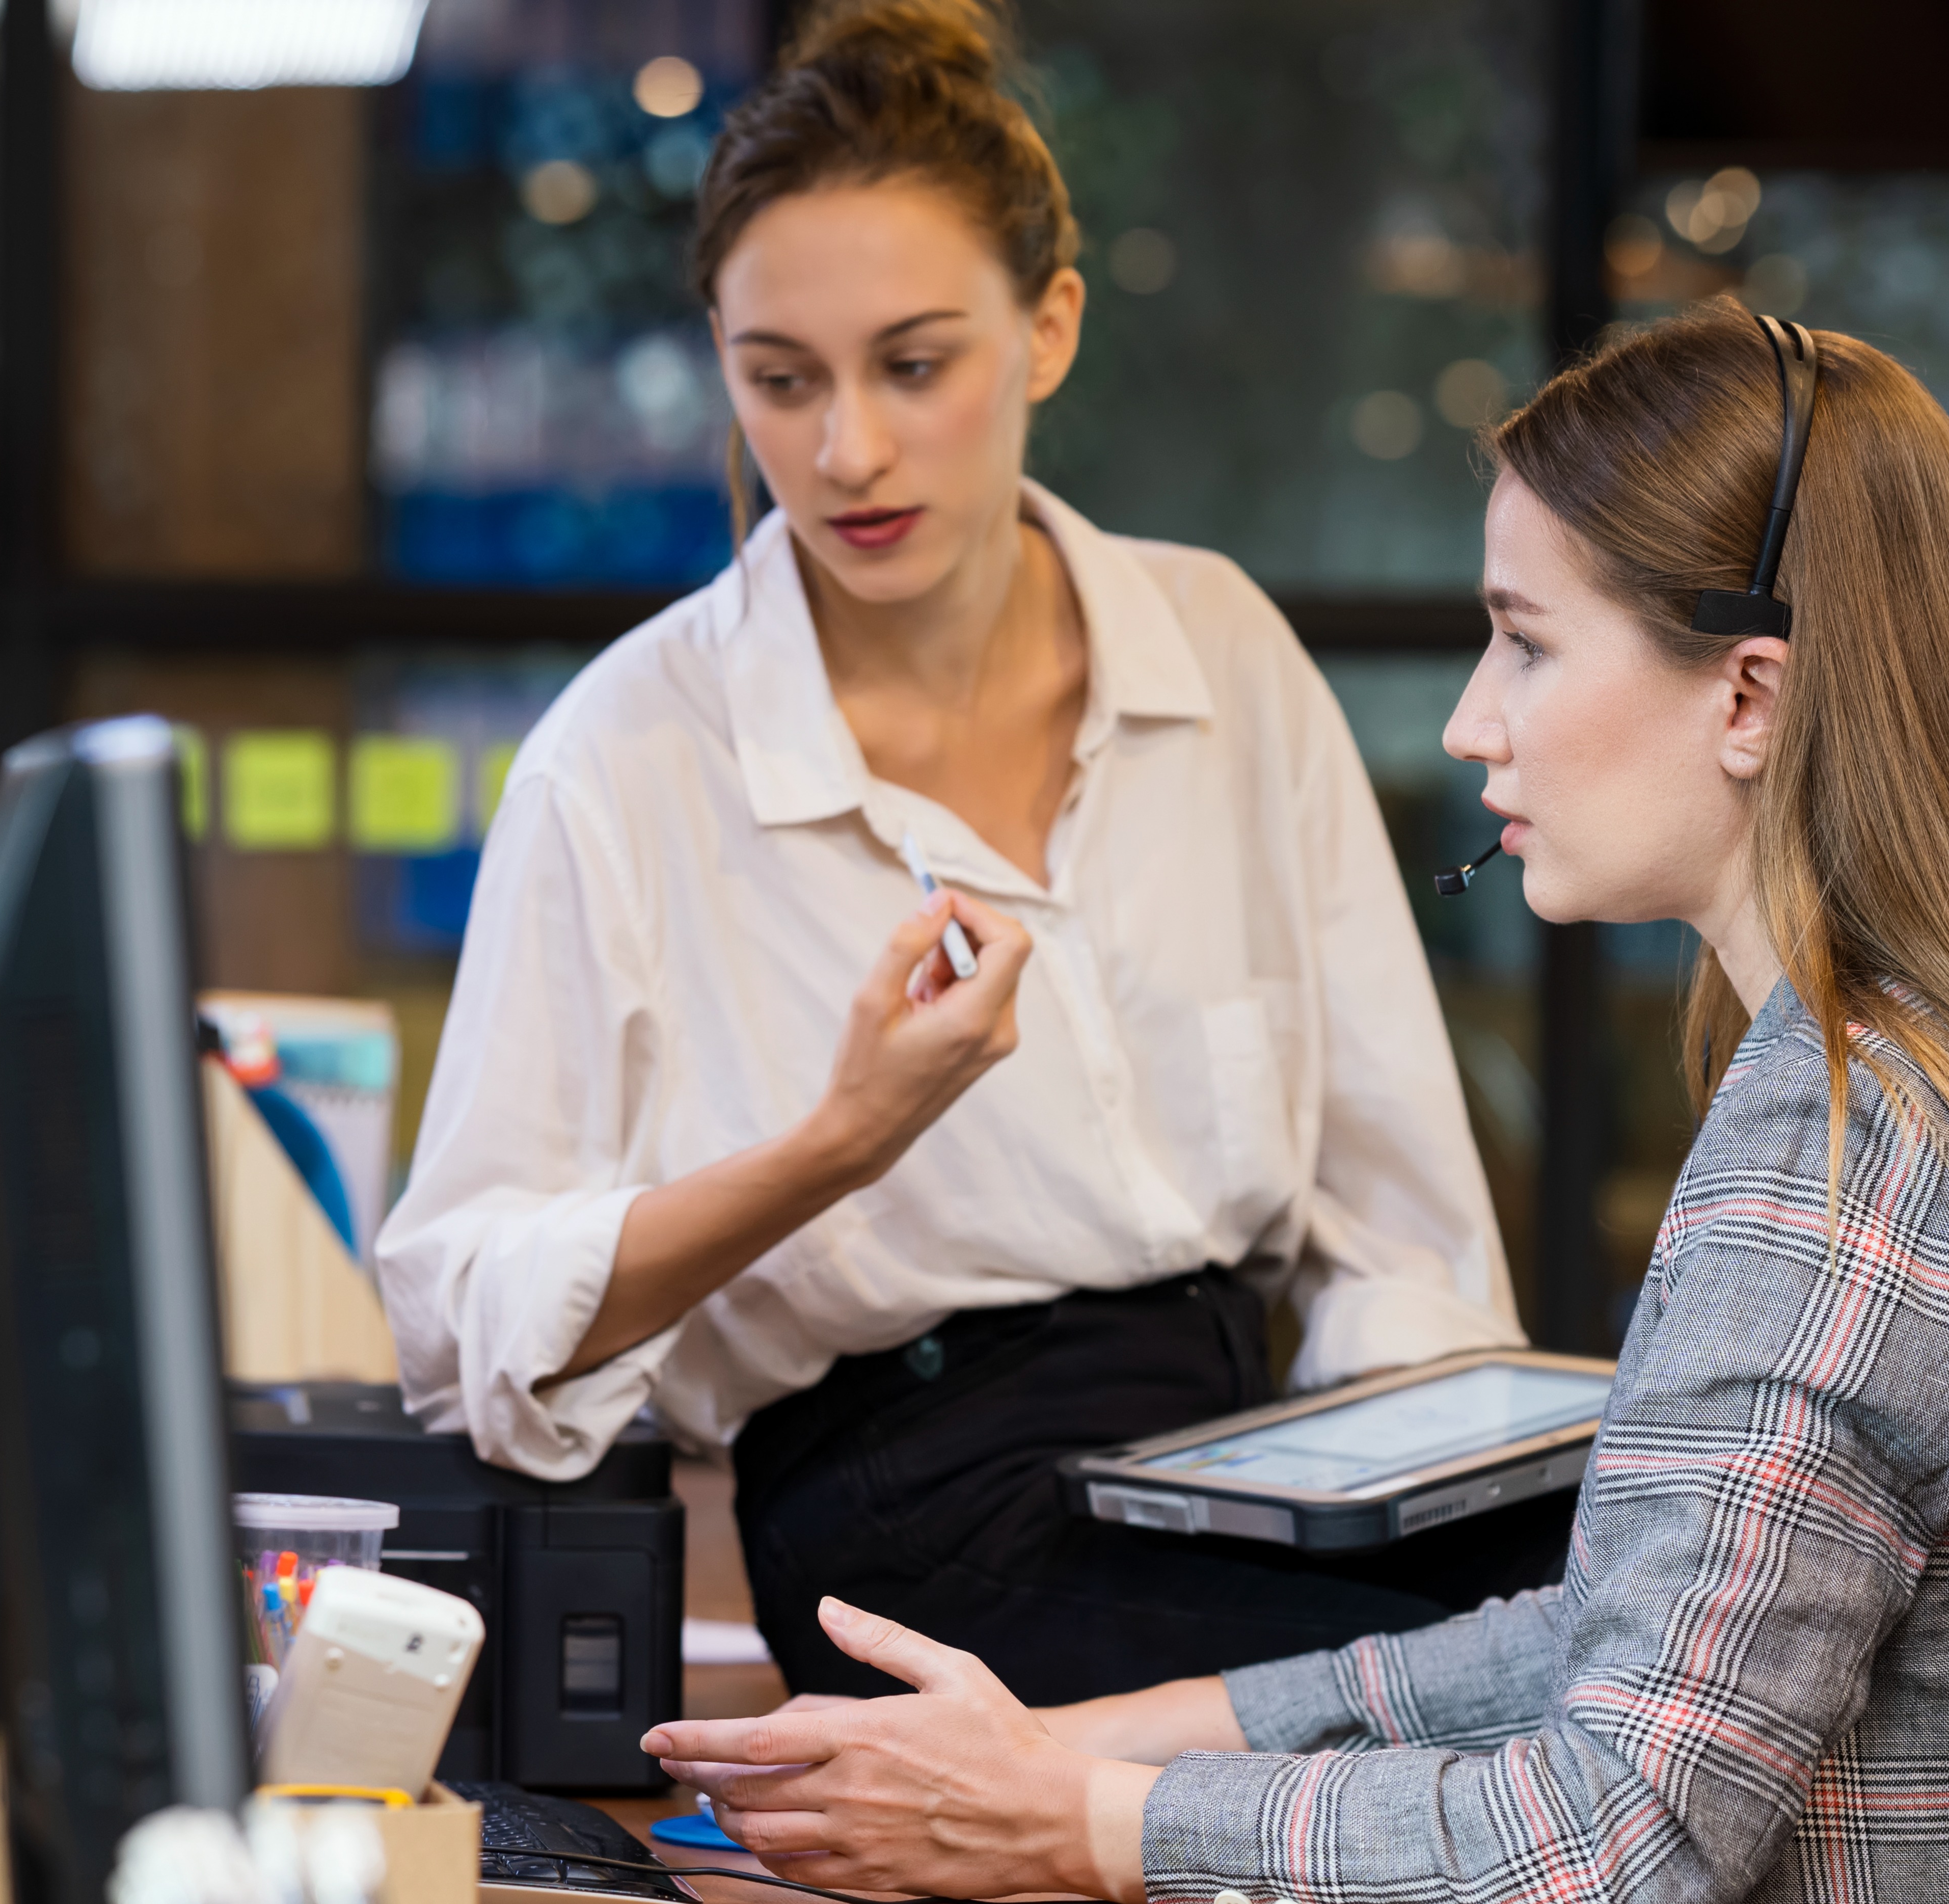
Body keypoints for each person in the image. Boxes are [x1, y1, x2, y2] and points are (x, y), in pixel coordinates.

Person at [641, 300, 1949, 1900]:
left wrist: (1071, 1822)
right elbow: (1616, 1634)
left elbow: (1619, 1839)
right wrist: (1090, 1744)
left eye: (1526, 642)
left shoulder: (1845, 1153)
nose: (1472, 723)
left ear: (1749, 697)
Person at [369, 0, 1538, 1705]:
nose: (845, 449)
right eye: (780, 379)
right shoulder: (623, 760)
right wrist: (838, 1144)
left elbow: (1398, 1230)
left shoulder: (1218, 650)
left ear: (1049, 327)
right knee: (1476, 1691)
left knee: (1616, 1615)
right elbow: (461, 1315)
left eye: (914, 366)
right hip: (905, 1515)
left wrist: (1431, 1498)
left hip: (1244, 1471)